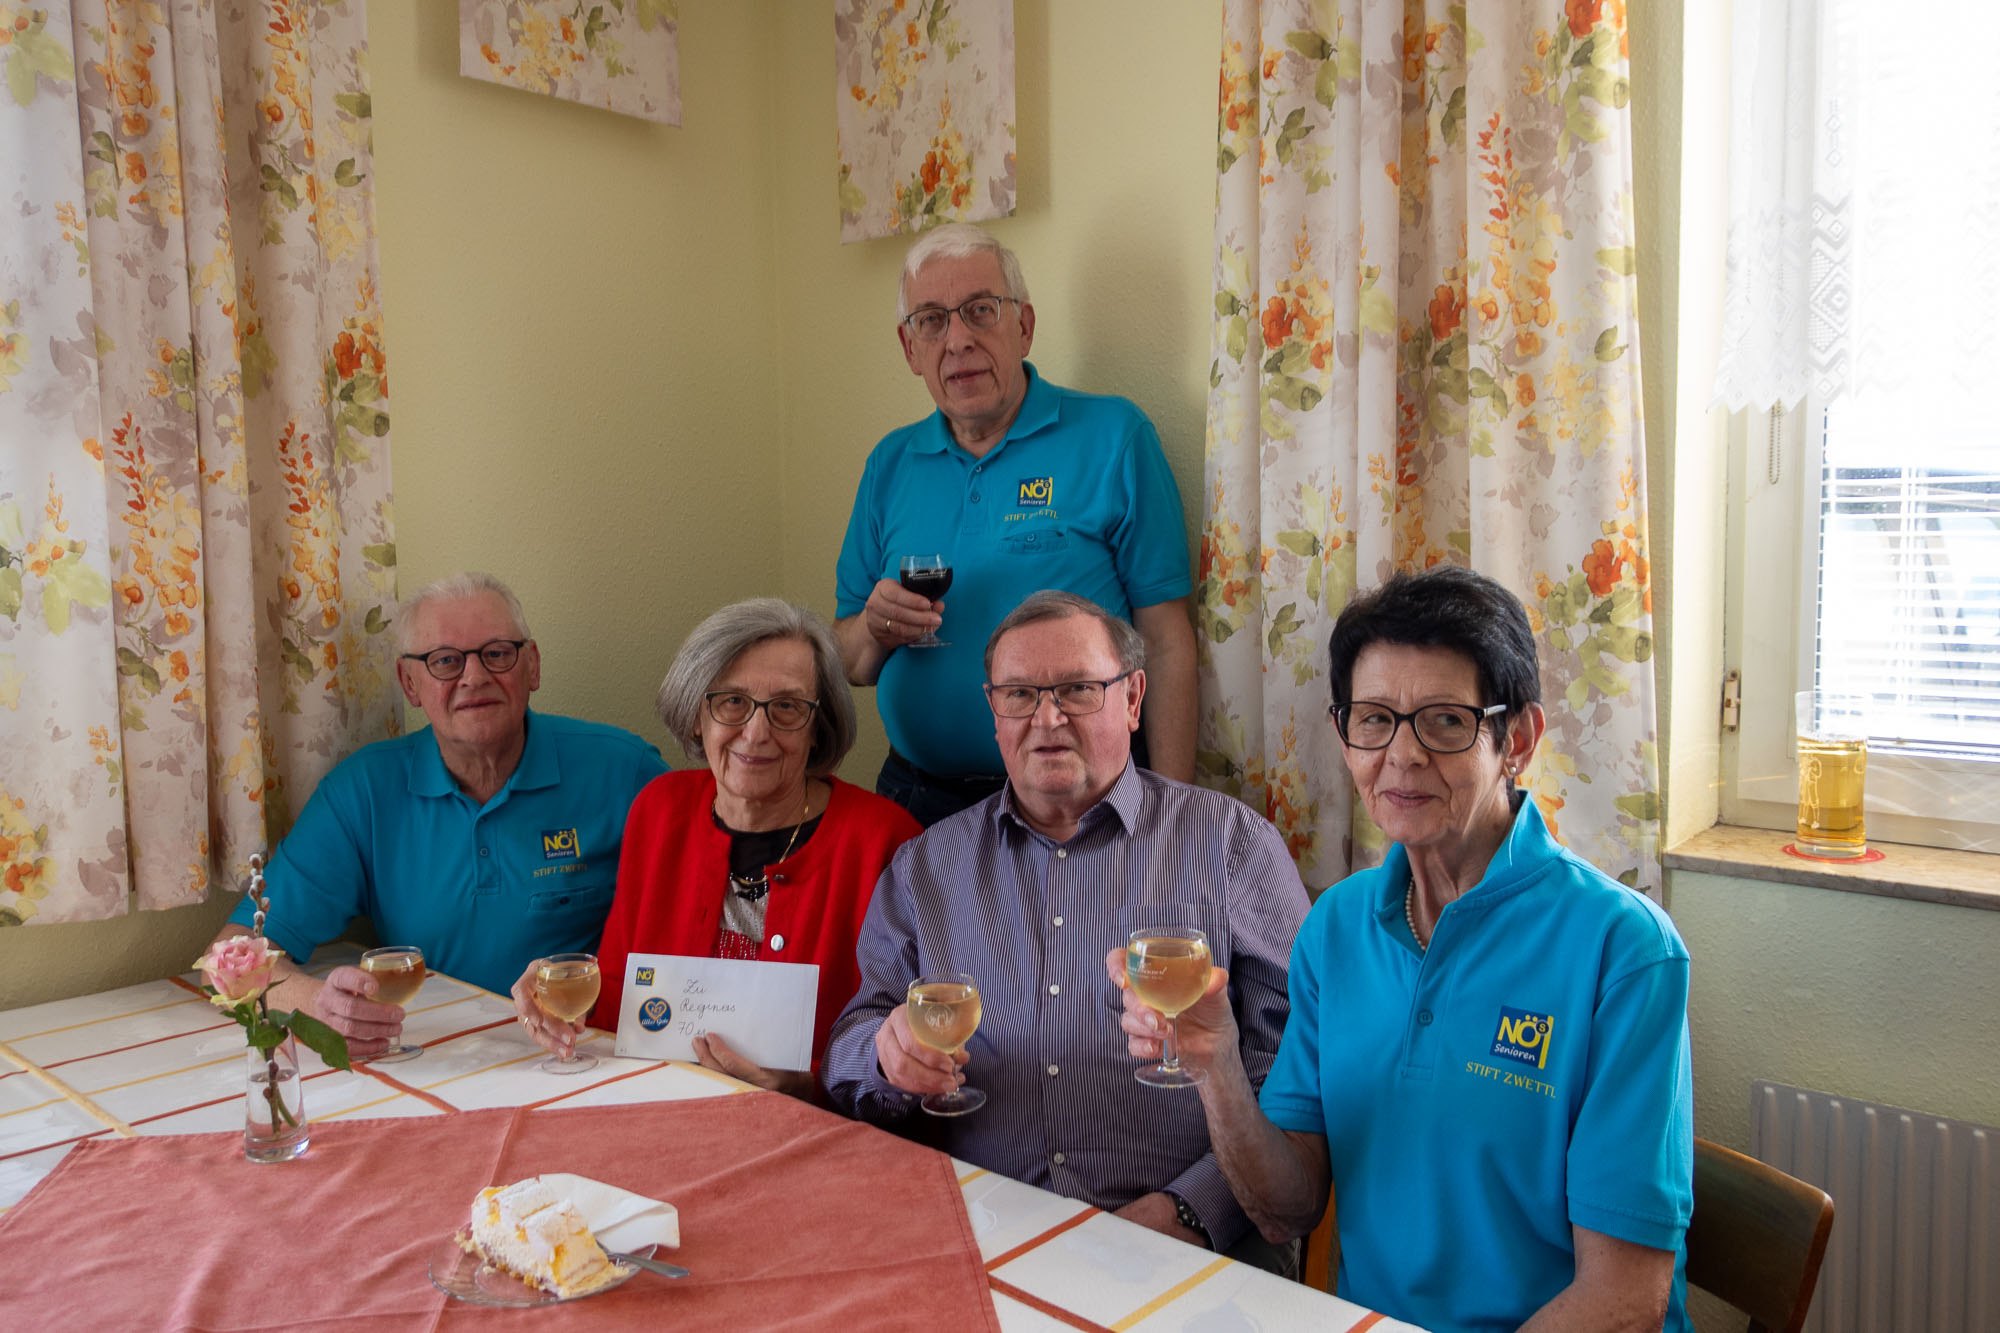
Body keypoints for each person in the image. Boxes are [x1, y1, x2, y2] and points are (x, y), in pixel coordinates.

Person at [1113, 566, 1693, 1331]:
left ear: (1517, 740)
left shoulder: (1624, 950)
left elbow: (1623, 1299)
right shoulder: (1335, 926)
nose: (1403, 753)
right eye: (1375, 719)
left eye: (1446, 720)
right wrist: (1215, 1064)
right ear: (1345, 735)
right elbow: (1287, 1208)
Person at [823, 591, 1309, 1262]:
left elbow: (1294, 1078)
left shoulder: (1233, 845)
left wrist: (1190, 1212)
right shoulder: (926, 866)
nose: (1047, 718)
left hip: (1188, 1250)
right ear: (994, 711)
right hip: (984, 1238)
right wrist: (885, 1052)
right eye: (1020, 694)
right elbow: (850, 1043)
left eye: (1078, 689)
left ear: (1133, 698)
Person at [205, 573, 667, 1059]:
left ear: (531, 666)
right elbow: (227, 955)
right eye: (445, 661)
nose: (474, 676)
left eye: (497, 653)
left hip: (588, 1055)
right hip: (437, 1058)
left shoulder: (624, 771)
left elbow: (711, 916)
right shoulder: (364, 792)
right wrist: (310, 1004)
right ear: (410, 683)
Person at [833, 223, 1197, 826]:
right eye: (931, 320)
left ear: (1023, 326)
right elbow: (849, 661)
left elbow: (1165, 641)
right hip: (919, 803)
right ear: (910, 348)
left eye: (980, 310)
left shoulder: (1115, 437)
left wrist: (1172, 814)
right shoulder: (889, 464)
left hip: (1077, 800)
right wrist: (875, 629)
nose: (958, 340)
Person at [513, 599, 920, 1098]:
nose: (756, 732)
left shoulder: (885, 841)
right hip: (657, 1101)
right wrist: (558, 996)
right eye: (732, 702)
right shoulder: (659, 810)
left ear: (818, 729)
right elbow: (619, 994)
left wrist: (804, 1083)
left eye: (787, 707)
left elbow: (901, 1056)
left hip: (810, 1121)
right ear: (695, 716)